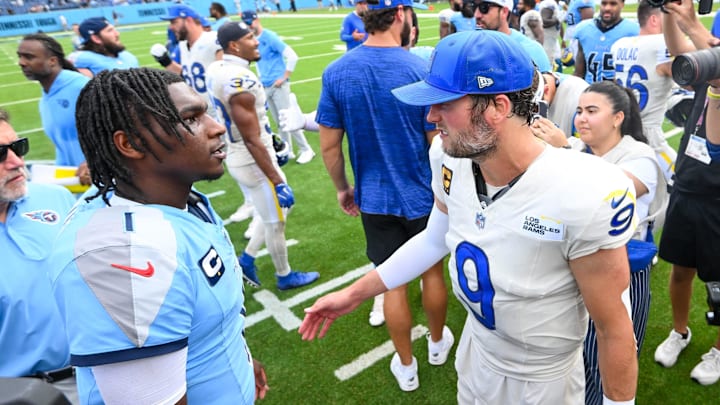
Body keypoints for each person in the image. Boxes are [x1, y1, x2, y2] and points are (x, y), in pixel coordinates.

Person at [300, 29, 639, 404]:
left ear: (498, 107)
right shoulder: (449, 160)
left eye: (444, 103)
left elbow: (613, 327)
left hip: (542, 382)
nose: (430, 116)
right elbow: (434, 238)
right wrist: (354, 294)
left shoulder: (584, 187)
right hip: (476, 353)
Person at [49, 68, 269, 404]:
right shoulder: (121, 254)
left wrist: (239, 358)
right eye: (191, 119)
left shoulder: (175, 199)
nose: (218, 126)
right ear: (130, 144)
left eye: (206, 112)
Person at [315, 0, 453, 391]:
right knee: (431, 271)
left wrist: (343, 187)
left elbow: (329, 146)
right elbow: (436, 140)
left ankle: (406, 366)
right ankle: (438, 344)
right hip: (424, 193)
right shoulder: (418, 67)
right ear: (400, 16)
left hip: (375, 196)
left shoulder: (337, 71)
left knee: (392, 282)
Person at [544, 81, 667, 404]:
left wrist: (562, 151)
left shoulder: (639, 156)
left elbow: (604, 195)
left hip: (622, 273)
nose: (581, 118)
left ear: (618, 118)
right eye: (580, 111)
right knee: (575, 356)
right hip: (573, 269)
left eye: (592, 111)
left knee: (611, 357)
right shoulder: (576, 148)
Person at [207, 21, 320, 290]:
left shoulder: (218, 68)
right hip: (251, 159)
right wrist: (276, 178)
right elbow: (250, 136)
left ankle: (247, 258)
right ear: (234, 45)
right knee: (277, 219)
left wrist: (273, 142)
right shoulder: (240, 80)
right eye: (250, 38)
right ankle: (284, 275)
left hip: (240, 154)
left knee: (278, 210)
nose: (256, 41)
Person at [653, 0, 720, 387]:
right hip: (688, 186)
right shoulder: (709, 73)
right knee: (680, 269)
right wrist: (669, 12)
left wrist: (693, 22)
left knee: (719, 284)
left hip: (718, 200)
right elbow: (684, 55)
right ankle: (680, 331)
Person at [0, 108, 78, 404]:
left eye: (18, 147)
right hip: (22, 396)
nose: (17, 162)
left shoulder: (54, 198)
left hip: (99, 374)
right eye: (0, 154)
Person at [610, 0, 676, 184]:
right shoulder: (661, 43)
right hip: (649, 134)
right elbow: (687, 81)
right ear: (654, 20)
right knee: (686, 182)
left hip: (622, 131)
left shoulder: (619, 45)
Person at [243, 11, 316, 165]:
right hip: (266, 84)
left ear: (257, 20)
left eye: (250, 22)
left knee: (289, 117)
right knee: (279, 121)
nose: (249, 26)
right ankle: (287, 149)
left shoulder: (269, 37)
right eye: (246, 23)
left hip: (278, 85)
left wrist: (284, 77)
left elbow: (292, 55)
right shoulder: (255, 40)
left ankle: (306, 149)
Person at [16, 34, 91, 185]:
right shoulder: (46, 97)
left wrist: (94, 162)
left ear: (52, 61)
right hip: (77, 185)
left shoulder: (82, 87)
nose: (21, 63)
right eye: (20, 57)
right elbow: (63, 145)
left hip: (104, 184)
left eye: (29, 57)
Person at [473, 0, 553, 73]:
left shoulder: (529, 50)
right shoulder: (468, 48)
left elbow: (547, 84)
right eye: (474, 6)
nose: (476, 15)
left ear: (504, 12)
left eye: (484, 8)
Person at [573, 0, 638, 83]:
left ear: (622, 5)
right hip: (590, 91)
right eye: (604, 3)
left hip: (618, 93)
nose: (607, 8)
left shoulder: (633, 31)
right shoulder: (584, 29)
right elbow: (579, 73)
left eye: (613, 4)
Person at [73, 17, 139, 78]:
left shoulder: (126, 56)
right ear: (96, 38)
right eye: (110, 30)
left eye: (114, 29)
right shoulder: (83, 62)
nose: (117, 34)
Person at [531, 71, 589, 140]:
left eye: (533, 109)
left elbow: (589, 147)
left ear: (546, 90)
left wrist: (563, 146)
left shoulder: (578, 98)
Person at [539, 0, 563, 69]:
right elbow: (544, 21)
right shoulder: (549, 3)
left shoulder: (554, 3)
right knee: (549, 66)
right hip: (547, 41)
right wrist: (557, 19)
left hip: (552, 40)